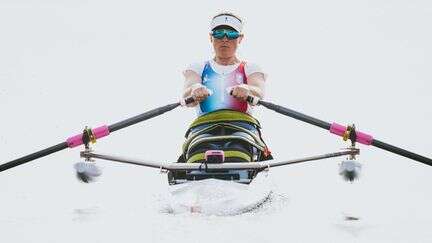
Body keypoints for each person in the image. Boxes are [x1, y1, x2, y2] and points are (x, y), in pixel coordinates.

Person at [179, 12, 272, 165]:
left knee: (238, 153)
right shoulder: (197, 67)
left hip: (242, 127)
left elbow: (259, 92)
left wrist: (246, 89)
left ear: (240, 38)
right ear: (211, 37)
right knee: (198, 152)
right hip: (203, 128)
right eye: (219, 33)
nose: (224, 38)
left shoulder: (251, 68)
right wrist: (195, 89)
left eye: (231, 33)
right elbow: (188, 95)